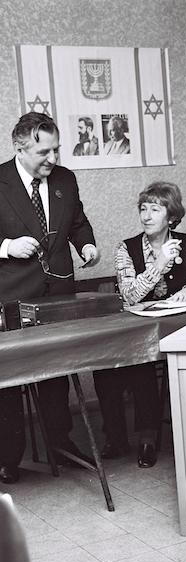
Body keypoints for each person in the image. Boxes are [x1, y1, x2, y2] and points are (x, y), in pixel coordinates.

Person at [0, 111, 99, 484]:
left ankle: (61, 443)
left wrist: (86, 244)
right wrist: (7, 246)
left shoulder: (65, 179)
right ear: (20, 147)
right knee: (9, 380)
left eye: (56, 149)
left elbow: (77, 222)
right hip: (12, 298)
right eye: (44, 152)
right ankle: (8, 457)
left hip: (58, 293)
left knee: (57, 373)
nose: (53, 159)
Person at [93, 181, 186, 467]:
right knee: (136, 363)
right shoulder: (126, 248)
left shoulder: (185, 242)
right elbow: (130, 294)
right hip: (136, 330)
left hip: (176, 327)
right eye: (143, 209)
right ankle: (127, 437)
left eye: (155, 209)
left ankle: (157, 435)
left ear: (171, 216)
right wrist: (159, 263)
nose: (146, 216)